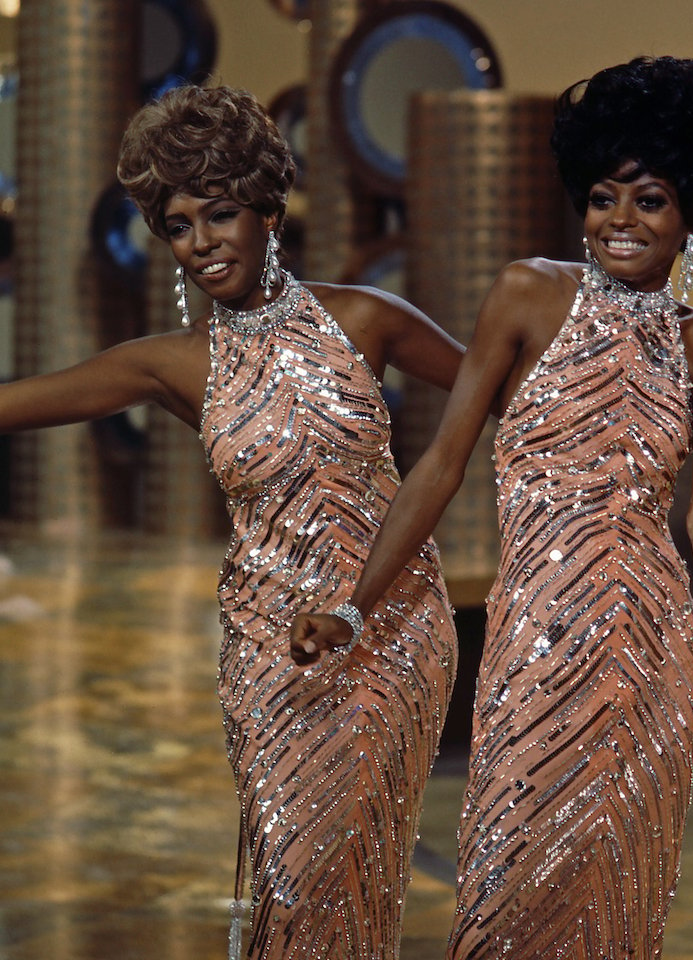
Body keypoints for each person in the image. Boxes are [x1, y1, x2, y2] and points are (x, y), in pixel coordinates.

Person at [291, 55, 693, 959]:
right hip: (533, 637)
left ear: (692, 212)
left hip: (650, 646)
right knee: (509, 869)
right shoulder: (525, 293)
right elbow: (438, 464)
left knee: (617, 881)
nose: (620, 221)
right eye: (602, 196)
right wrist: (356, 603)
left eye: (650, 199)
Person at [0, 85, 464, 960]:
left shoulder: (367, 319)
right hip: (267, 649)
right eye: (179, 225)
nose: (203, 243)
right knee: (293, 869)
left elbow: (508, 397)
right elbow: (17, 402)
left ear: (267, 209)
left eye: (221, 214)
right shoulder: (172, 365)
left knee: (358, 867)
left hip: (395, 629)